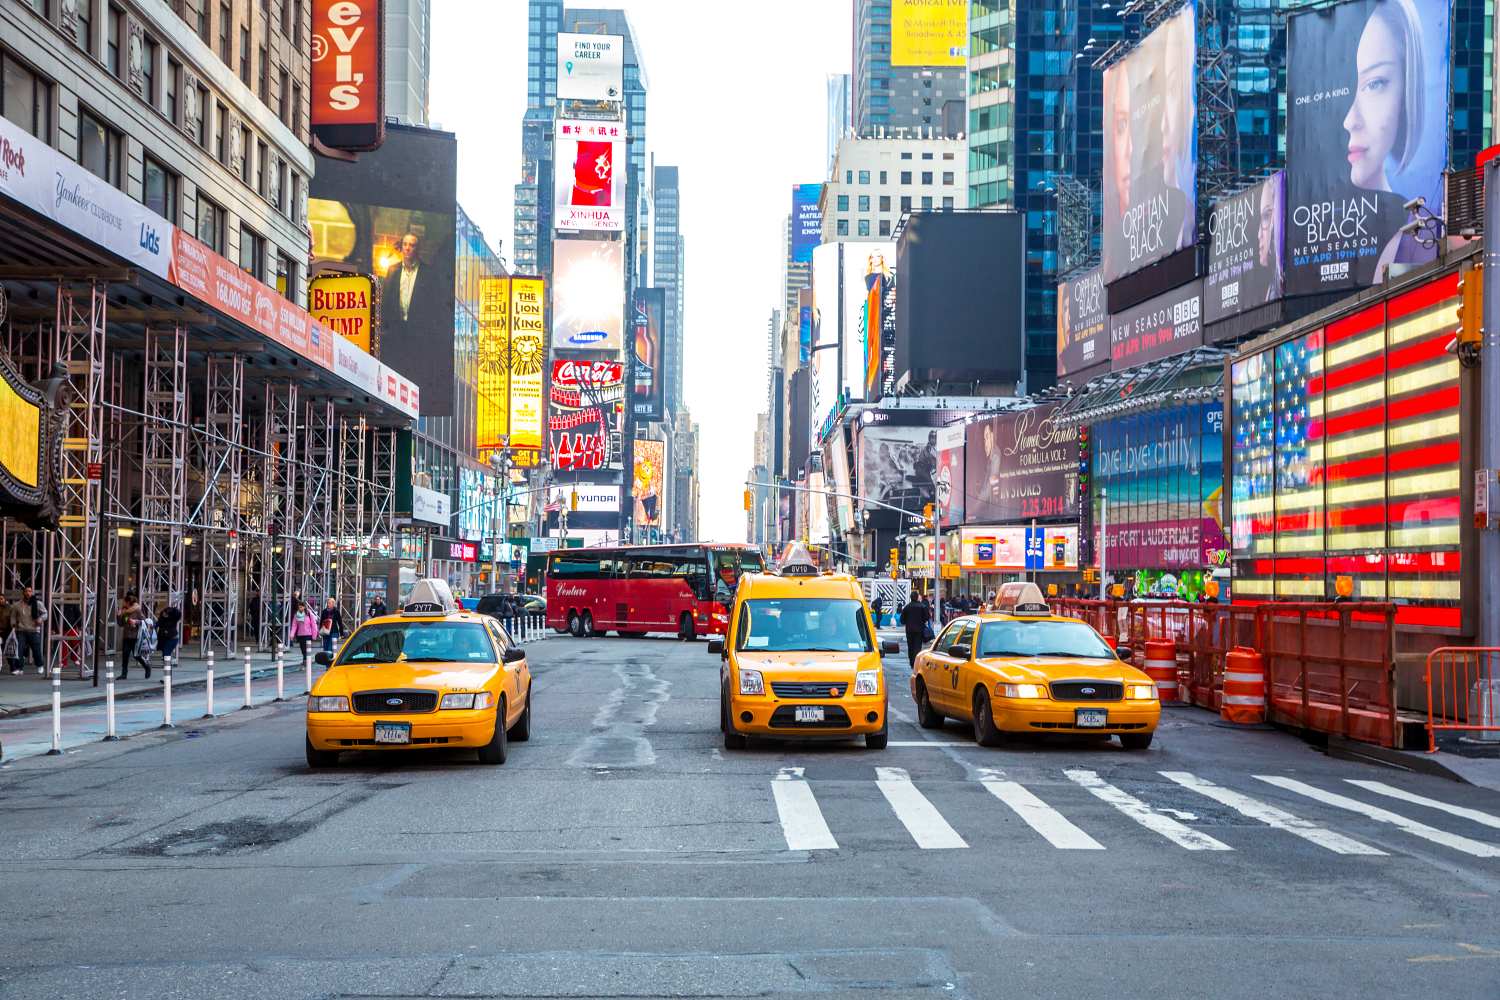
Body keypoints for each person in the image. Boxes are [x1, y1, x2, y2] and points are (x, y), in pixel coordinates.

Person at [380, 231, 434, 346]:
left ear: (417, 249)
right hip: (394, 332)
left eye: (412, 245)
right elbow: (385, 302)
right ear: (401, 247)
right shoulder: (392, 270)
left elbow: (431, 306)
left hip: (418, 334)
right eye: (405, 244)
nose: (407, 248)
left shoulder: (428, 272)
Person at [8, 588, 46, 676]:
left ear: (32, 593)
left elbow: (45, 613)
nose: (28, 593)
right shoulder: (17, 605)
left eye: (29, 591)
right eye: (26, 591)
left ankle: (40, 665)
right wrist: (13, 624)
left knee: (36, 650)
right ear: (23, 593)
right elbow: (13, 616)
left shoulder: (37, 603)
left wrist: (40, 618)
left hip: (34, 630)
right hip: (21, 630)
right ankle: (19, 668)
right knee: (19, 650)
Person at [116, 591, 149, 679]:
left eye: (124, 602)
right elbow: (121, 624)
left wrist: (135, 621)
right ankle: (124, 674)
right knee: (125, 655)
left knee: (136, 655)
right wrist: (119, 616)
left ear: (128, 602)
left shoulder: (137, 610)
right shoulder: (124, 611)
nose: (123, 603)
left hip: (136, 636)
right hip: (126, 636)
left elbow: (145, 622)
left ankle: (147, 667)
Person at [899, 595, 931, 668]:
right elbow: (927, 617)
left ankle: (911, 662)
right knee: (917, 646)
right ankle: (915, 662)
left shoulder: (907, 607)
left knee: (910, 646)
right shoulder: (922, 606)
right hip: (919, 630)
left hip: (909, 630)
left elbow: (902, 620)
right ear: (917, 598)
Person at [156, 598, 183, 664]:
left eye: (166, 614)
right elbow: (158, 623)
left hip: (172, 638)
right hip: (164, 638)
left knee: (166, 653)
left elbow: (178, 614)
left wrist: (172, 609)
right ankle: (167, 665)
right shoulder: (162, 618)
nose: (164, 615)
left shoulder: (173, 619)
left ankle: (168, 666)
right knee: (165, 653)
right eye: (164, 613)